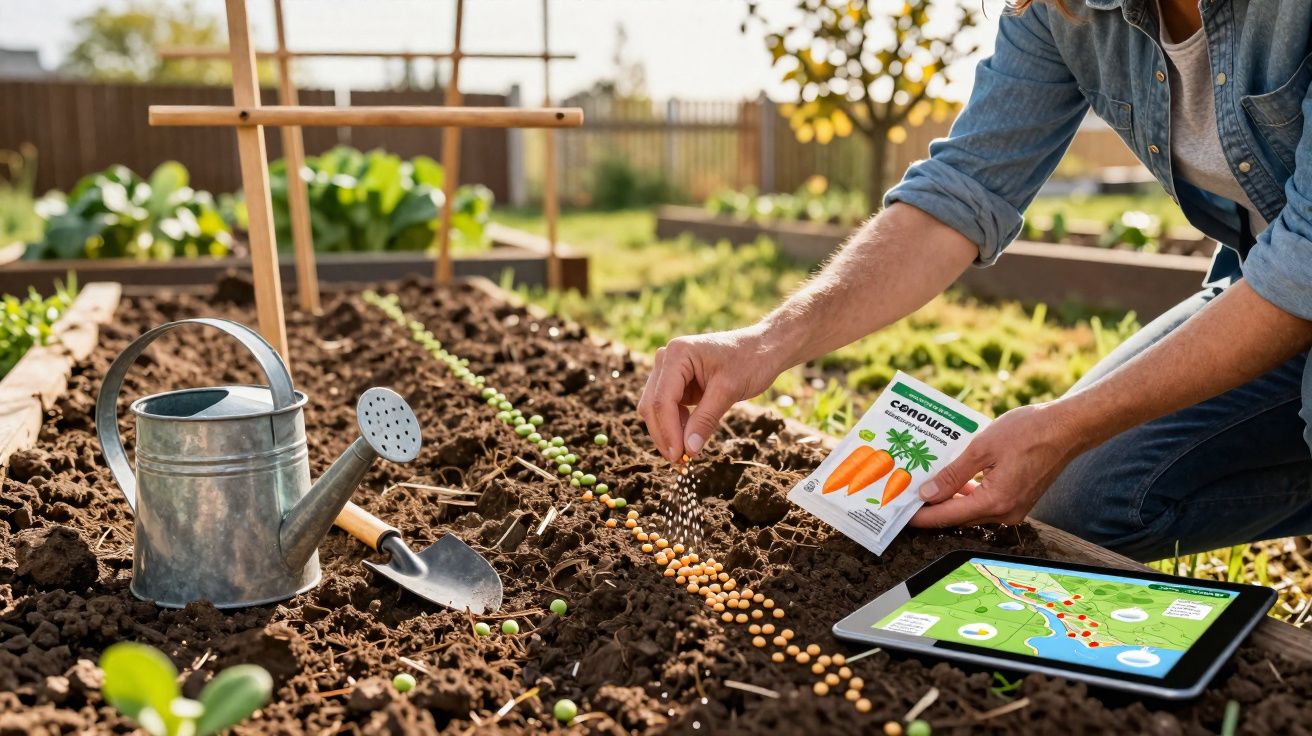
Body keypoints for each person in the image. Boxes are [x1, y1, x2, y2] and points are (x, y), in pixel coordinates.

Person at [637, 0, 1312, 562]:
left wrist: (1068, 422)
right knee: (1078, 501)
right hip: (1263, 279)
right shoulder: (1062, 9)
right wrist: (765, 341)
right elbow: (963, 190)